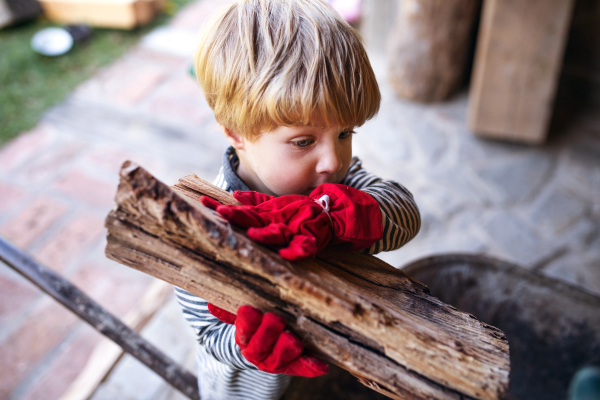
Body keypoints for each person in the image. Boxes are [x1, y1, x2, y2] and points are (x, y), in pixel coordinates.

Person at [174, 1, 421, 399]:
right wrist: (249, 344)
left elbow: (404, 210)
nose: (333, 160)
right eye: (304, 141)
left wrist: (332, 218)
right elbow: (208, 334)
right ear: (236, 133)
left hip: (335, 370)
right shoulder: (208, 225)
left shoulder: (336, 187)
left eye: (345, 134)